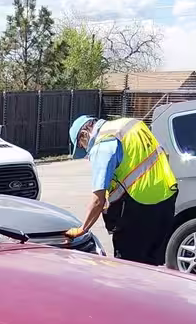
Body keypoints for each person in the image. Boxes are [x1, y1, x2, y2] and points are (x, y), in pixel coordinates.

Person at [64, 114, 179, 266]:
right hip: (166, 198)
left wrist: (83, 228)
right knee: (151, 266)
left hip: (138, 207)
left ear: (84, 134)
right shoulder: (131, 124)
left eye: (81, 145)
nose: (85, 150)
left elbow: (98, 200)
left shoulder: (103, 144)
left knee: (128, 267)